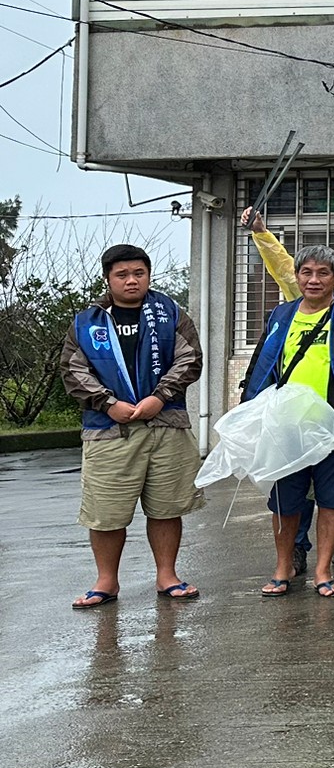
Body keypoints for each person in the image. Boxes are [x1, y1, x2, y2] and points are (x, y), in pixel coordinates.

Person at [240, 209, 334, 572]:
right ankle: (296, 548)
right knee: (294, 482)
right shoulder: (303, 300)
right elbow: (284, 264)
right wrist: (262, 232)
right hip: (294, 418)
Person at [62, 244, 204, 607]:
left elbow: (190, 359)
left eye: (138, 273)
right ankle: (106, 582)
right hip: (109, 429)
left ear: (149, 275)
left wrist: (160, 395)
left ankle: (167, 575)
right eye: (122, 275)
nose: (131, 281)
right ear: (108, 279)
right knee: (106, 512)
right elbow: (73, 371)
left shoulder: (170, 313)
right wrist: (108, 404)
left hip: (166, 424)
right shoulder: (86, 322)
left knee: (166, 507)